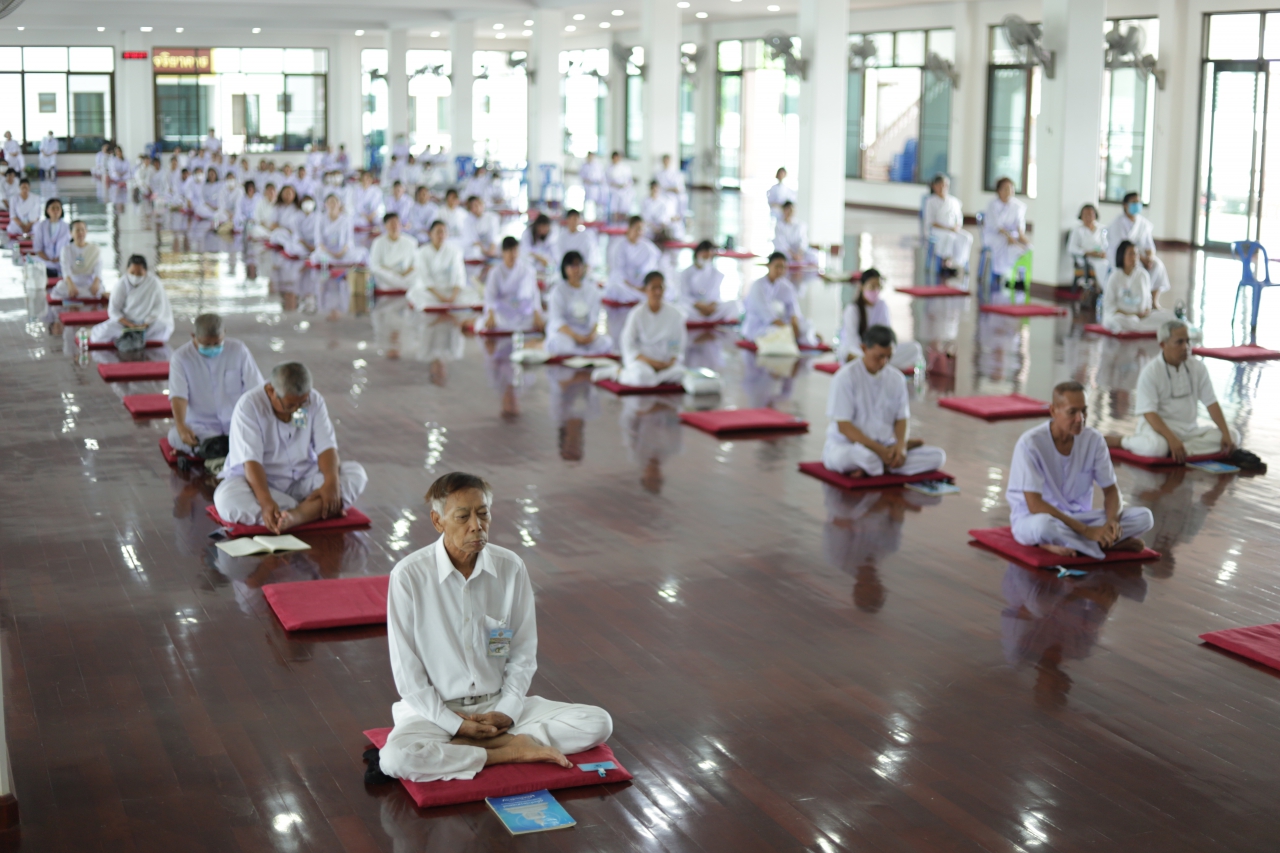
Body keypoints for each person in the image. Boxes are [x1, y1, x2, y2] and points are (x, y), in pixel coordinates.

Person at [365, 472, 613, 785]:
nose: (476, 525)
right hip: (439, 712)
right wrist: (454, 724)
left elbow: (520, 652)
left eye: (483, 514)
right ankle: (508, 751)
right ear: (437, 521)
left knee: (597, 722)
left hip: (498, 707)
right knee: (395, 758)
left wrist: (508, 710)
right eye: (463, 516)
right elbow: (407, 674)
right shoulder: (409, 576)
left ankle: (474, 747)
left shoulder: (510, 568)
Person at [213, 362, 368, 532]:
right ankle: (314, 510)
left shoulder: (313, 401)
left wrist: (331, 484)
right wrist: (265, 502)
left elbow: (327, 447)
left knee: (355, 473)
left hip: (304, 479)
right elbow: (251, 463)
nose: (296, 410)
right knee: (225, 499)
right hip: (263, 485)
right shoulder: (249, 406)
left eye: (301, 404)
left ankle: (294, 516)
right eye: (290, 405)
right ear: (272, 391)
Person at [1007, 380, 1154, 559]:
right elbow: (1034, 504)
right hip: (1035, 519)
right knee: (1044, 526)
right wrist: (1087, 532)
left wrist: (1111, 524)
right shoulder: (1030, 444)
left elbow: (1111, 490)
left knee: (1144, 517)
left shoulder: (1093, 440)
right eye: (1072, 412)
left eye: (1084, 410)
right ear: (1053, 411)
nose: (1080, 419)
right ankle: (1108, 546)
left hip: (1078, 519)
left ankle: (1069, 544)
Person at [822, 325, 946, 478]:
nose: (884, 362)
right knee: (862, 457)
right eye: (879, 356)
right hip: (848, 447)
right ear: (863, 348)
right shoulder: (845, 378)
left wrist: (900, 446)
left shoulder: (896, 379)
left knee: (938, 457)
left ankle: (878, 467)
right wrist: (880, 451)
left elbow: (902, 418)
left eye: (889, 357)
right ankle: (885, 465)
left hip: (885, 446)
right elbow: (844, 427)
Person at [1108, 320, 1241, 461]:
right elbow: (1149, 413)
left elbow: (1211, 402)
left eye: (1188, 341)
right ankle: (1123, 442)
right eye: (1180, 342)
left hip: (1190, 430)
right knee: (1156, 447)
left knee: (1233, 436)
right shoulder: (1150, 372)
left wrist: (1225, 433)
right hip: (1158, 430)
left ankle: (1180, 449)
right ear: (1163, 345)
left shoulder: (1197, 367)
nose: (1186, 347)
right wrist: (1171, 438)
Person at [168, 314, 265, 456]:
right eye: (206, 344)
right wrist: (181, 427)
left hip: (236, 422)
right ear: (193, 335)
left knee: (266, 432)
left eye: (217, 343)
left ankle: (213, 451)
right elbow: (179, 396)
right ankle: (229, 449)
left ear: (224, 333)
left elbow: (256, 388)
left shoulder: (238, 350)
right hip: (201, 426)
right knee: (175, 436)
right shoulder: (181, 358)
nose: (213, 348)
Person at [836, 269, 921, 371]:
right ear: (862, 287)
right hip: (860, 351)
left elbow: (887, 336)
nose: (875, 291)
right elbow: (851, 341)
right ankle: (876, 363)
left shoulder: (882, 306)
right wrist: (869, 353)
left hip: (879, 351)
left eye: (878, 287)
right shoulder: (852, 310)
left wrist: (881, 351)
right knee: (847, 352)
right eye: (872, 287)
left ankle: (875, 363)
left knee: (914, 348)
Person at [618, 272, 686, 387]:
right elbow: (628, 344)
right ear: (645, 290)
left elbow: (678, 345)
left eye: (660, 288)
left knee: (680, 374)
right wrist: (652, 363)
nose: (657, 292)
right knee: (641, 376)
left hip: (665, 363)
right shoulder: (637, 313)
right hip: (643, 362)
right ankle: (619, 373)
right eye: (654, 288)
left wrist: (671, 361)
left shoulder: (675, 314)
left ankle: (654, 380)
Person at [89, 255, 174, 345]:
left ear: (146, 271)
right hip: (125, 323)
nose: (135, 276)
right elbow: (113, 310)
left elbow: (159, 307)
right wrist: (130, 325)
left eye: (139, 274)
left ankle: (132, 337)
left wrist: (145, 324)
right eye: (132, 273)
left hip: (147, 324)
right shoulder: (121, 284)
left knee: (163, 328)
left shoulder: (154, 283)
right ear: (127, 269)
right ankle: (133, 337)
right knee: (101, 333)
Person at [1101, 241, 1182, 335]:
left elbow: (1148, 301)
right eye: (1131, 254)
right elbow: (1109, 305)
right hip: (1123, 317)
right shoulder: (1114, 276)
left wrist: (1146, 311)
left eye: (1136, 254)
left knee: (1171, 317)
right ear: (1122, 256)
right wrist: (1130, 314)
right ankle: (1147, 329)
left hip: (1142, 318)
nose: (1134, 257)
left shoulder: (1143, 275)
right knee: (1114, 321)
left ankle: (1137, 329)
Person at [741, 252, 817, 345]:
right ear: (769, 266)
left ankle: (808, 337)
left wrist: (794, 322)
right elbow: (767, 315)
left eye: (783, 267)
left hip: (781, 324)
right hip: (760, 326)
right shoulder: (757, 286)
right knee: (776, 332)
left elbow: (793, 308)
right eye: (777, 266)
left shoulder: (785, 286)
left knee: (805, 327)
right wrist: (787, 328)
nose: (780, 270)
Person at [546, 250, 613, 356]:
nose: (576, 269)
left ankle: (584, 355)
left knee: (606, 342)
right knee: (562, 346)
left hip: (586, 334)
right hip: (566, 334)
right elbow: (557, 320)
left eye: (578, 265)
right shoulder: (558, 291)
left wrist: (591, 336)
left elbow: (595, 318)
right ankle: (583, 354)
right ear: (565, 268)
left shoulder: (592, 290)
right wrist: (576, 337)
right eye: (572, 266)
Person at [1107, 192, 1169, 304]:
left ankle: (1153, 300)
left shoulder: (1143, 223)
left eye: (1139, 202)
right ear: (1125, 205)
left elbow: (1149, 245)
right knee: (1138, 268)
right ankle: (1141, 297)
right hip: (1124, 257)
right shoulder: (1118, 223)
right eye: (1134, 202)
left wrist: (1149, 257)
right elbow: (1123, 247)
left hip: (1140, 257)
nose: (1137, 205)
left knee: (1157, 265)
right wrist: (1141, 259)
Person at [482, 237, 544, 333]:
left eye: (515, 250)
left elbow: (534, 293)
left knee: (547, 321)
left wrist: (536, 313)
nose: (513, 254)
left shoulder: (527, 270)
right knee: (484, 324)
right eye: (509, 251)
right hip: (503, 311)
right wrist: (491, 314)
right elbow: (489, 295)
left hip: (523, 312)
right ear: (503, 252)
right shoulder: (495, 272)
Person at [408, 220, 470, 309]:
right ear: (430, 234)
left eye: (444, 232)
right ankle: (442, 303)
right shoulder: (422, 252)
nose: (441, 235)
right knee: (413, 293)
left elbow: (459, 275)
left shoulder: (455, 251)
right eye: (438, 232)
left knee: (472, 294)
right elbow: (424, 277)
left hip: (450, 289)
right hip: (431, 291)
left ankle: (447, 302)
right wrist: (440, 297)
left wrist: (453, 296)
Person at [982, 177, 1031, 283]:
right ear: (999, 191)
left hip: (1013, 236)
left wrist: (1023, 239)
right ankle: (1001, 274)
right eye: (1005, 188)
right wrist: (1010, 238)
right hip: (994, 235)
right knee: (1003, 242)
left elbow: (1020, 226)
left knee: (1028, 248)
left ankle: (1017, 276)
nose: (1009, 191)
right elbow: (996, 225)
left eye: (1011, 188)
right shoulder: (992, 205)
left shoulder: (1018, 206)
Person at [677, 241, 739, 323]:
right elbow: (684, 296)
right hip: (694, 309)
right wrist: (700, 306)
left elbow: (716, 296)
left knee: (734, 304)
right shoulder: (685, 273)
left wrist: (710, 307)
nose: (706, 258)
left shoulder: (716, 273)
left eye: (709, 256)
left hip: (711, 310)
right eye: (704, 256)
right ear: (697, 254)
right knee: (680, 308)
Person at [603, 216, 661, 304]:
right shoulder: (618, 246)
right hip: (625, 286)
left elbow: (653, 268)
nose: (639, 232)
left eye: (642, 229)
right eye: (637, 229)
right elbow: (617, 272)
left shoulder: (648, 247)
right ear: (630, 228)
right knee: (615, 289)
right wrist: (633, 287)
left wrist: (646, 286)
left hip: (643, 286)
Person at [923, 173, 971, 277]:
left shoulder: (954, 201)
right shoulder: (930, 201)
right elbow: (931, 221)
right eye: (939, 185)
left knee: (966, 237)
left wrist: (956, 226)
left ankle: (959, 262)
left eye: (945, 185)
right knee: (949, 237)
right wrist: (948, 228)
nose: (942, 187)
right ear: (934, 186)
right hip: (938, 230)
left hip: (952, 229)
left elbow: (959, 218)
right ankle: (945, 264)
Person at [49, 220, 102, 302]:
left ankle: (79, 296)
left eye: (83, 230)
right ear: (71, 233)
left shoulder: (95, 249)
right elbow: (65, 269)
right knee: (60, 287)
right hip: (72, 281)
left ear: (86, 231)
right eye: (77, 230)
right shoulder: (66, 249)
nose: (80, 233)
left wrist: (96, 282)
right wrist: (70, 284)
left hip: (89, 282)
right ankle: (84, 296)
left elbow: (98, 269)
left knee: (99, 289)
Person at [369, 212, 418, 292]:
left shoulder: (411, 241)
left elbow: (415, 264)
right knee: (377, 273)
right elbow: (375, 265)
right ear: (385, 226)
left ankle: (400, 285)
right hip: (387, 275)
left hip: (405, 275)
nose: (394, 226)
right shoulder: (378, 242)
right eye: (391, 223)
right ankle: (404, 286)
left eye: (397, 223)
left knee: (419, 273)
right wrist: (393, 274)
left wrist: (404, 274)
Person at [1067, 203, 1108, 284]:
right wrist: (1087, 253)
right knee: (1102, 267)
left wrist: (1103, 253)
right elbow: (1071, 248)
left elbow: (1106, 244)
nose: (1088, 217)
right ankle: (1102, 289)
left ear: (1095, 215)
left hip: (1101, 257)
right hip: (1086, 259)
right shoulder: (1077, 231)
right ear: (1081, 216)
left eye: (1090, 214)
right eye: (1085, 215)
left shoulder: (1102, 229)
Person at [31, 198, 70, 277]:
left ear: (61, 210)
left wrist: (59, 259)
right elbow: (38, 247)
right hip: (45, 260)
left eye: (58, 208)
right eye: (53, 208)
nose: (56, 211)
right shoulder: (41, 226)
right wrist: (48, 260)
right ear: (47, 210)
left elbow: (69, 247)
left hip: (61, 260)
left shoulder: (67, 227)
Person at [772, 201, 818, 267]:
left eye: (792, 210)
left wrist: (799, 253)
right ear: (784, 210)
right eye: (788, 210)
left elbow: (803, 241)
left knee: (814, 256)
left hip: (799, 252)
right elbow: (781, 243)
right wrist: (793, 255)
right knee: (782, 258)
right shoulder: (779, 226)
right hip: (786, 253)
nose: (790, 212)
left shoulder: (801, 225)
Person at [460, 195, 500, 263]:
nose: (477, 208)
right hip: (478, 249)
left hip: (491, 247)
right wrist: (485, 251)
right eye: (473, 206)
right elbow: (474, 240)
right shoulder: (467, 221)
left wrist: (491, 250)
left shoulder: (492, 217)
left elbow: (494, 237)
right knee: (474, 251)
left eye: (478, 204)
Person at [520, 213, 558, 279]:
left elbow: (554, 255)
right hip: (529, 265)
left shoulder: (550, 235)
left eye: (547, 227)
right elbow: (525, 251)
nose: (546, 230)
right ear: (538, 226)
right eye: (544, 227)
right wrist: (539, 258)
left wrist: (547, 261)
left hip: (544, 270)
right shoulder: (527, 234)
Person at [606, 151, 634, 220]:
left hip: (624, 191)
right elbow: (608, 181)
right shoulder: (609, 168)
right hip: (614, 191)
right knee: (614, 209)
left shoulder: (625, 168)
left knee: (624, 209)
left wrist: (625, 185)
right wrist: (617, 185)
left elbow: (629, 179)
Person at [580, 152, 607, 216]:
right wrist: (589, 181)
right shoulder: (584, 166)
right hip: (588, 187)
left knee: (597, 204)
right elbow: (582, 177)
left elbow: (602, 177)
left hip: (597, 187)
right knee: (587, 203)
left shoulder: (598, 166)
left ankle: (597, 216)